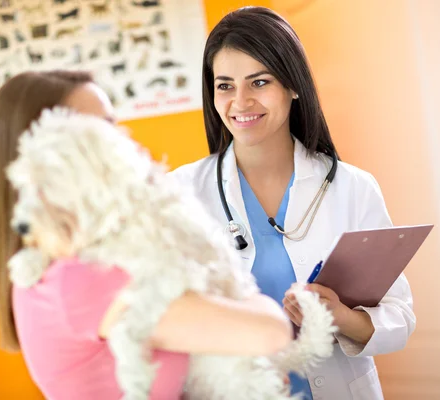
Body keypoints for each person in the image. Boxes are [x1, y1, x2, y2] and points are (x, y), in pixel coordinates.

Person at [0, 70, 293, 400]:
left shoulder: (70, 260)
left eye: (112, 125)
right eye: (97, 133)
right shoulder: (78, 276)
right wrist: (250, 300)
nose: (123, 145)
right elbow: (270, 333)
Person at [169, 7, 416, 400]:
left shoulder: (352, 188)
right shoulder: (179, 194)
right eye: (225, 85)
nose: (241, 102)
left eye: (259, 82)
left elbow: (400, 317)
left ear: (293, 86)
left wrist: (342, 319)